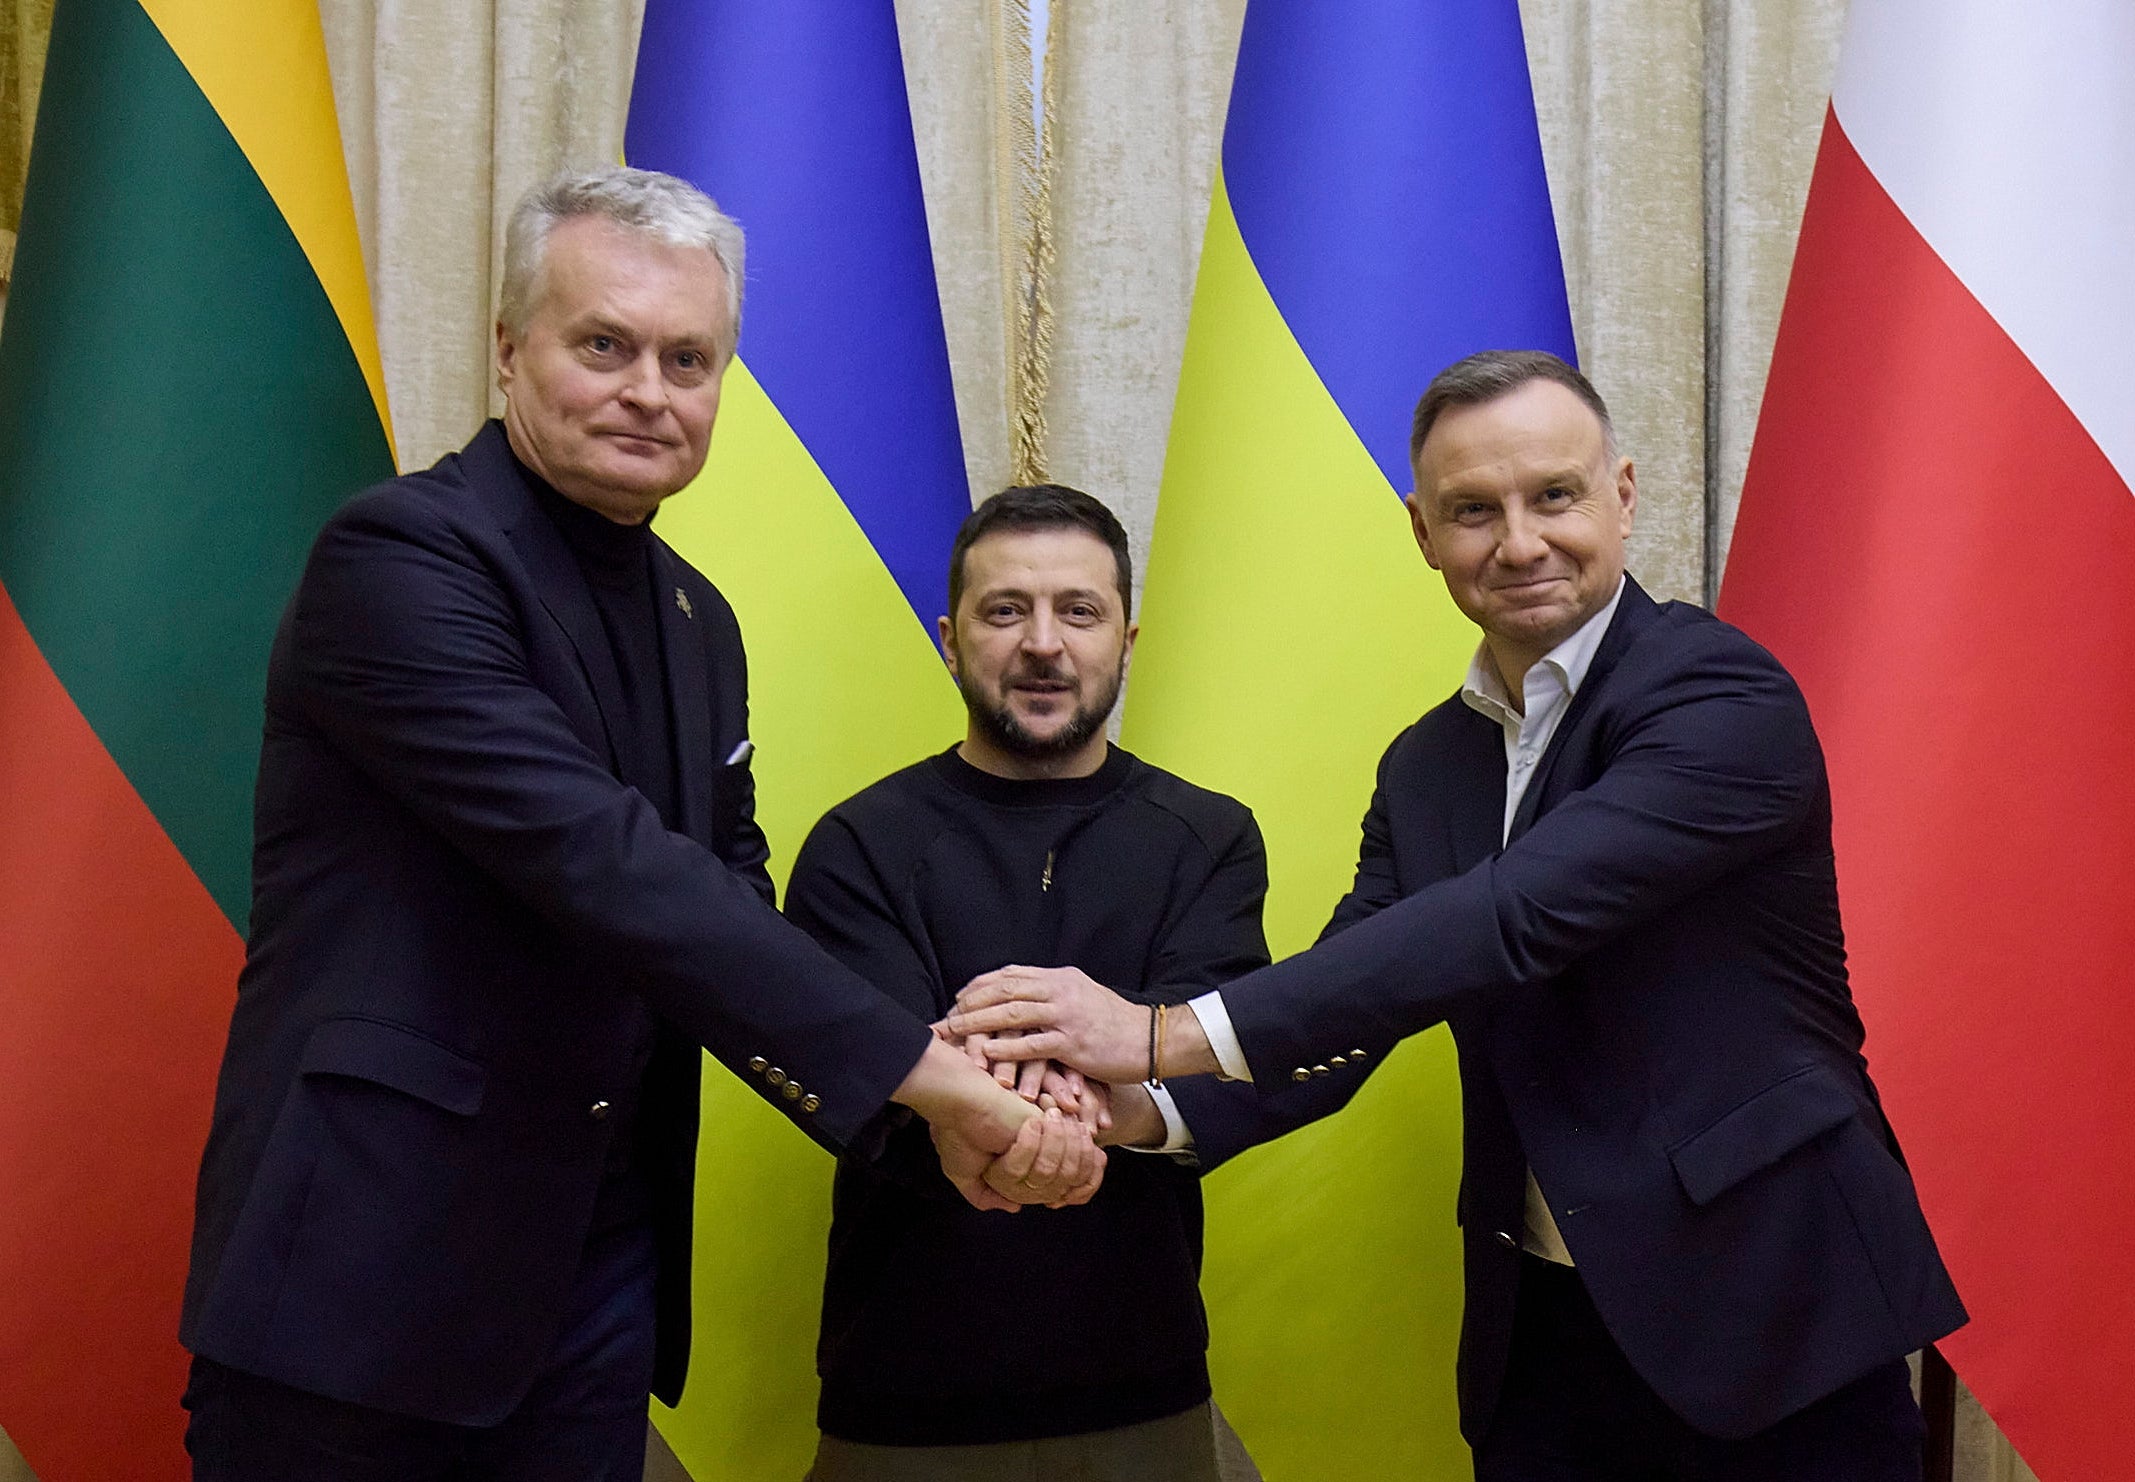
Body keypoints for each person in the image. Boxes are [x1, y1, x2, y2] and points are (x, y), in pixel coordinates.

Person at [177, 166, 1096, 1482]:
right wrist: (943, 1079)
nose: (648, 390)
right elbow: (605, 866)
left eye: (688, 357)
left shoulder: (694, 617)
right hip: (364, 1277)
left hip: (592, 1272)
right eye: (602, 344)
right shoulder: (398, 560)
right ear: (508, 351)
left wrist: (917, 1103)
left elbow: (723, 893)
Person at [950, 351, 1967, 1480]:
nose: (1518, 541)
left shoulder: (1721, 698)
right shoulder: (1426, 765)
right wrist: (1123, 1111)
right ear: (1421, 531)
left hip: (1775, 1314)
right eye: (1472, 510)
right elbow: (1349, 1007)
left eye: (1554, 496)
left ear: (1622, 495)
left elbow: (1511, 918)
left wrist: (1153, 1031)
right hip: (1541, 1340)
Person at [786, 485, 1268, 1481]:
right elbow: (862, 1073)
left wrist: (1042, 1081)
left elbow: (1209, 1060)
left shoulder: (1209, 838)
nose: (1041, 643)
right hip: (901, 1393)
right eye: (1004, 610)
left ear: (1125, 638)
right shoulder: (856, 845)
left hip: (1143, 1378)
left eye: (1076, 611)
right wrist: (1067, 1083)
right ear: (949, 636)